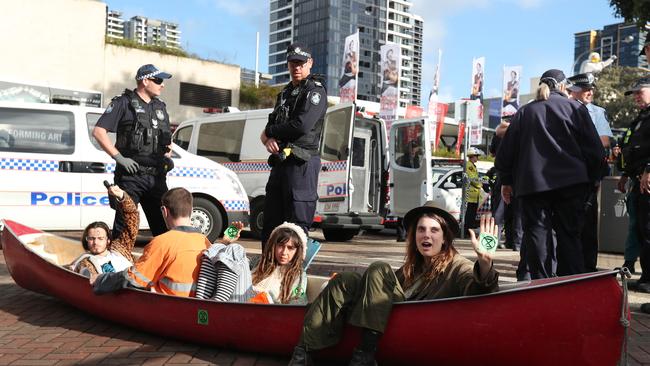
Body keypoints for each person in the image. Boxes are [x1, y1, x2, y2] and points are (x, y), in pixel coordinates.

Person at [287, 202, 499, 365]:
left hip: (415, 325)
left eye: (434, 230)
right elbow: (378, 291)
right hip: (390, 318)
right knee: (346, 280)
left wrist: (485, 264)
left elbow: (477, 288)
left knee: (379, 268)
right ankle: (303, 354)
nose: (426, 235)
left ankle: (365, 355)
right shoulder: (412, 267)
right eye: (421, 229)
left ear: (444, 238)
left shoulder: (457, 265)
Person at [496, 69, 606, 279]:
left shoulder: (525, 112)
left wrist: (507, 181)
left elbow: (505, 153)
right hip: (572, 184)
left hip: (533, 186)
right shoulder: (575, 108)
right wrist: (594, 179)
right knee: (570, 236)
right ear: (563, 86)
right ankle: (571, 283)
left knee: (537, 235)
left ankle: (541, 283)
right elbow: (595, 151)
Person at [92, 64, 173, 240]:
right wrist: (119, 158)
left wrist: (167, 157)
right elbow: (99, 132)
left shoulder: (160, 107)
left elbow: (167, 137)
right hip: (130, 177)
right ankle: (119, 265)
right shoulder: (123, 103)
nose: (162, 85)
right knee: (124, 229)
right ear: (145, 81)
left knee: (164, 229)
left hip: (156, 178)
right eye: (158, 80)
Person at [260, 43, 327, 250]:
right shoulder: (285, 94)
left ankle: (293, 276)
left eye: (300, 63)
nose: (296, 67)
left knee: (296, 225)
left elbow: (301, 126)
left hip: (302, 163)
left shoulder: (315, 91)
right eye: (292, 63)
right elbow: (267, 129)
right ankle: (267, 271)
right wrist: (268, 137)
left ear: (309, 63)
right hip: (281, 162)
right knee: (271, 222)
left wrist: (271, 133)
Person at [90, 188, 211, 297]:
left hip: (166, 305)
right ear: (191, 210)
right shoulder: (205, 242)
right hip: (195, 303)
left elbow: (134, 279)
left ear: (164, 211)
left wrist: (101, 280)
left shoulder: (162, 242)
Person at [567, 72, 614, 273]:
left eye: (591, 89)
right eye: (585, 89)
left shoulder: (597, 112)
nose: (590, 92)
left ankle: (587, 265)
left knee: (587, 222)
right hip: (564, 174)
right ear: (573, 91)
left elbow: (604, 141)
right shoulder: (563, 109)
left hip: (587, 175)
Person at [194, 221, 307, 304]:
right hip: (239, 302)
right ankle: (202, 302)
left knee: (236, 249)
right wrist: (226, 241)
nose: (284, 252)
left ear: (298, 251)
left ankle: (215, 303)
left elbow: (299, 302)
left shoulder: (298, 274)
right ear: (273, 245)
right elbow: (233, 266)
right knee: (221, 248)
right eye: (280, 246)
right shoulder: (259, 262)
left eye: (290, 248)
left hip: (264, 312)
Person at [619, 76, 650, 292]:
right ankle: (645, 278)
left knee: (648, 231)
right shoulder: (641, 118)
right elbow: (631, 149)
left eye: (640, 91)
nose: (636, 97)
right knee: (641, 231)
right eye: (635, 93)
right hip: (637, 181)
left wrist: (649, 170)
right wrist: (625, 175)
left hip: (647, 180)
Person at [68, 183, 138, 276]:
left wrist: (122, 197)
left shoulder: (121, 249)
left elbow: (132, 218)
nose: (95, 242)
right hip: (118, 288)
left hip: (143, 284)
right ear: (86, 240)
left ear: (108, 240)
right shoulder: (84, 262)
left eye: (100, 238)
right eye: (91, 239)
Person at [464, 147, 484, 232]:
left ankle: (469, 231)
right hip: (471, 193)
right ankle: (466, 231)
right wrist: (480, 184)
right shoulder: (469, 166)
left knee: (472, 214)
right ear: (472, 156)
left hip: (474, 195)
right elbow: (472, 178)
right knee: (470, 214)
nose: (477, 158)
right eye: (476, 156)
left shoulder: (472, 165)